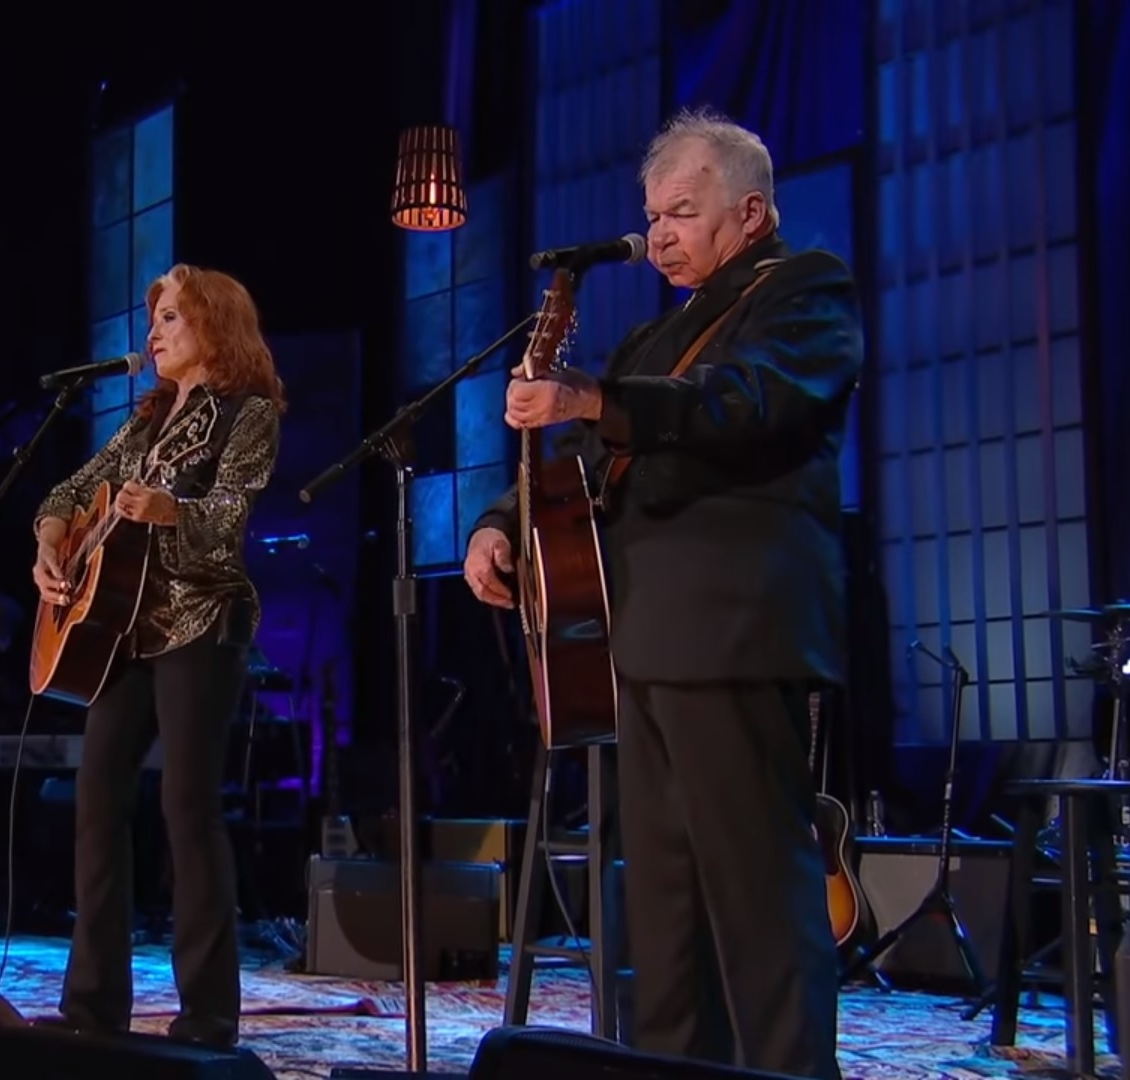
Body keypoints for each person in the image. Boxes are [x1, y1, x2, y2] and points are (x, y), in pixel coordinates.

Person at [463, 107, 858, 1080]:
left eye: (681, 213)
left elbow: (752, 402)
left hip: (734, 627)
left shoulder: (805, 289)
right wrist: (499, 523)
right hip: (642, 637)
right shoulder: (655, 333)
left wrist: (595, 397)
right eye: (651, 216)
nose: (660, 236)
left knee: (760, 903)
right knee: (664, 914)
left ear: (750, 212)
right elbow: (580, 453)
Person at [32, 263, 286, 1048]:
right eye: (155, 319)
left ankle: (207, 1015)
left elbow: (232, 513)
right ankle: (92, 1006)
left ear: (213, 323)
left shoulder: (248, 412)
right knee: (96, 799)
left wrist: (173, 509)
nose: (154, 332)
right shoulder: (145, 421)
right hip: (125, 629)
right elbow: (73, 488)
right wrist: (51, 539)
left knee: (187, 806)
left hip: (202, 622)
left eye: (171, 317)